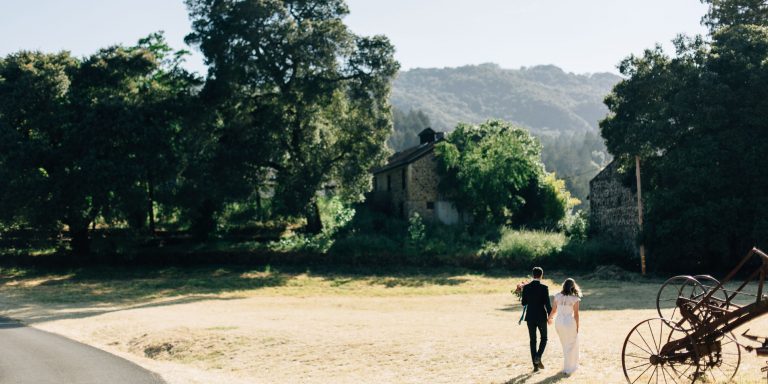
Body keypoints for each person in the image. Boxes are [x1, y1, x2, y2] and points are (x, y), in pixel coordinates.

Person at [547, 278, 581, 375]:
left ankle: (567, 366)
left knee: (565, 345)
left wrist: (549, 319)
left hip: (559, 322)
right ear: (573, 286)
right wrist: (577, 326)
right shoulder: (575, 298)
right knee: (572, 344)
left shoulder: (557, 296)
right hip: (569, 322)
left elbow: (553, 311)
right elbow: (576, 314)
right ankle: (570, 368)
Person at [521, 267, 552, 372]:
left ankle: (535, 366)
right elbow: (547, 304)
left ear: (532, 275)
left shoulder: (526, 287)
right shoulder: (544, 288)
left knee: (532, 341)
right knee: (544, 338)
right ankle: (538, 356)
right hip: (541, 317)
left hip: (530, 317)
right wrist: (550, 316)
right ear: (541, 275)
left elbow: (524, 303)